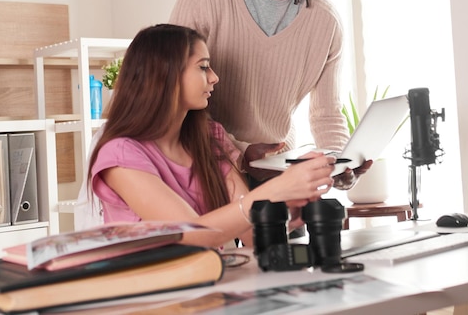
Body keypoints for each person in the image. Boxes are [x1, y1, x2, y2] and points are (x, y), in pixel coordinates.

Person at [169, 0, 371, 189]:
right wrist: (241, 153)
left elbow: (326, 114)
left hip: (280, 176)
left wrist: (339, 163)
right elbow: (174, 95)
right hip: (204, 171)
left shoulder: (324, 20)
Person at [87, 24, 336, 248]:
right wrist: (277, 189)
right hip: (152, 293)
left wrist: (286, 210)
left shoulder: (208, 137)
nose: (214, 77)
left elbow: (251, 236)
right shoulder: (120, 156)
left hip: (210, 284)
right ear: (165, 74)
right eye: (203, 67)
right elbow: (191, 236)